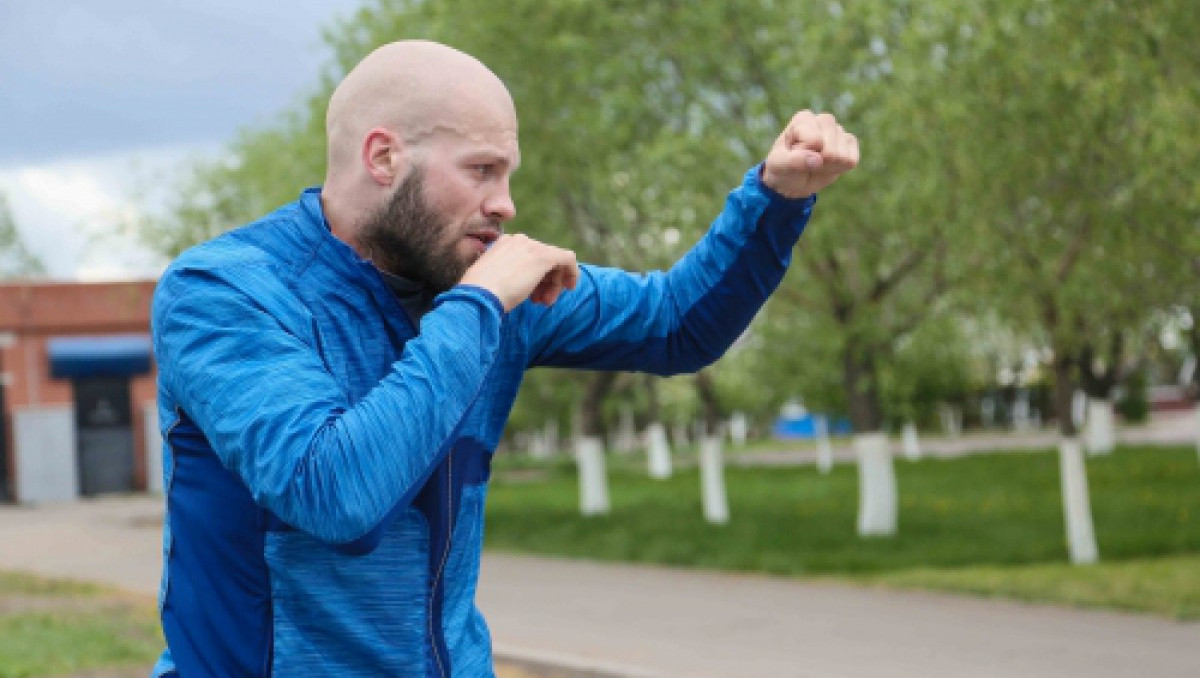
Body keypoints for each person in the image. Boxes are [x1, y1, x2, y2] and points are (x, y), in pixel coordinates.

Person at [149, 40, 858, 678]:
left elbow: (676, 325)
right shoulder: (225, 292)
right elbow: (334, 494)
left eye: (507, 172)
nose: (507, 204)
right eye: (482, 171)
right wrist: (479, 310)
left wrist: (773, 198)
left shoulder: (484, 285)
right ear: (384, 157)